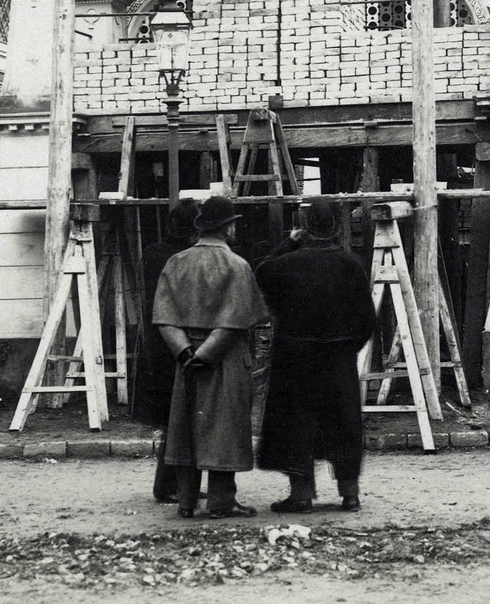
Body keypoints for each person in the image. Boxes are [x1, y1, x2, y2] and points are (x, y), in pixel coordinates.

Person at [256, 199, 377, 513]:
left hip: (296, 359)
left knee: (297, 426)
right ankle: (350, 494)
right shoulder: (351, 264)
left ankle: (302, 495)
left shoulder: (287, 264)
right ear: (335, 226)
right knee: (344, 425)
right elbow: (366, 320)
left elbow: (261, 272)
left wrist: (287, 243)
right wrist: (347, 348)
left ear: (306, 226)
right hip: (338, 359)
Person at [153, 195, 270, 518]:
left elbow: (164, 316)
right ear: (228, 227)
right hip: (226, 357)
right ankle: (221, 501)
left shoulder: (176, 262)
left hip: (185, 358)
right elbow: (237, 319)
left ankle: (186, 501)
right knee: (225, 428)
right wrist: (208, 354)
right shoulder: (237, 266)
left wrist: (185, 351)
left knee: (186, 427)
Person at [135, 200, 199, 503]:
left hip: (154, 341)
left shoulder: (152, 253)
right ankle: (167, 486)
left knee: (170, 418)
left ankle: (175, 484)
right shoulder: (185, 258)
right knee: (179, 418)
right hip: (178, 342)